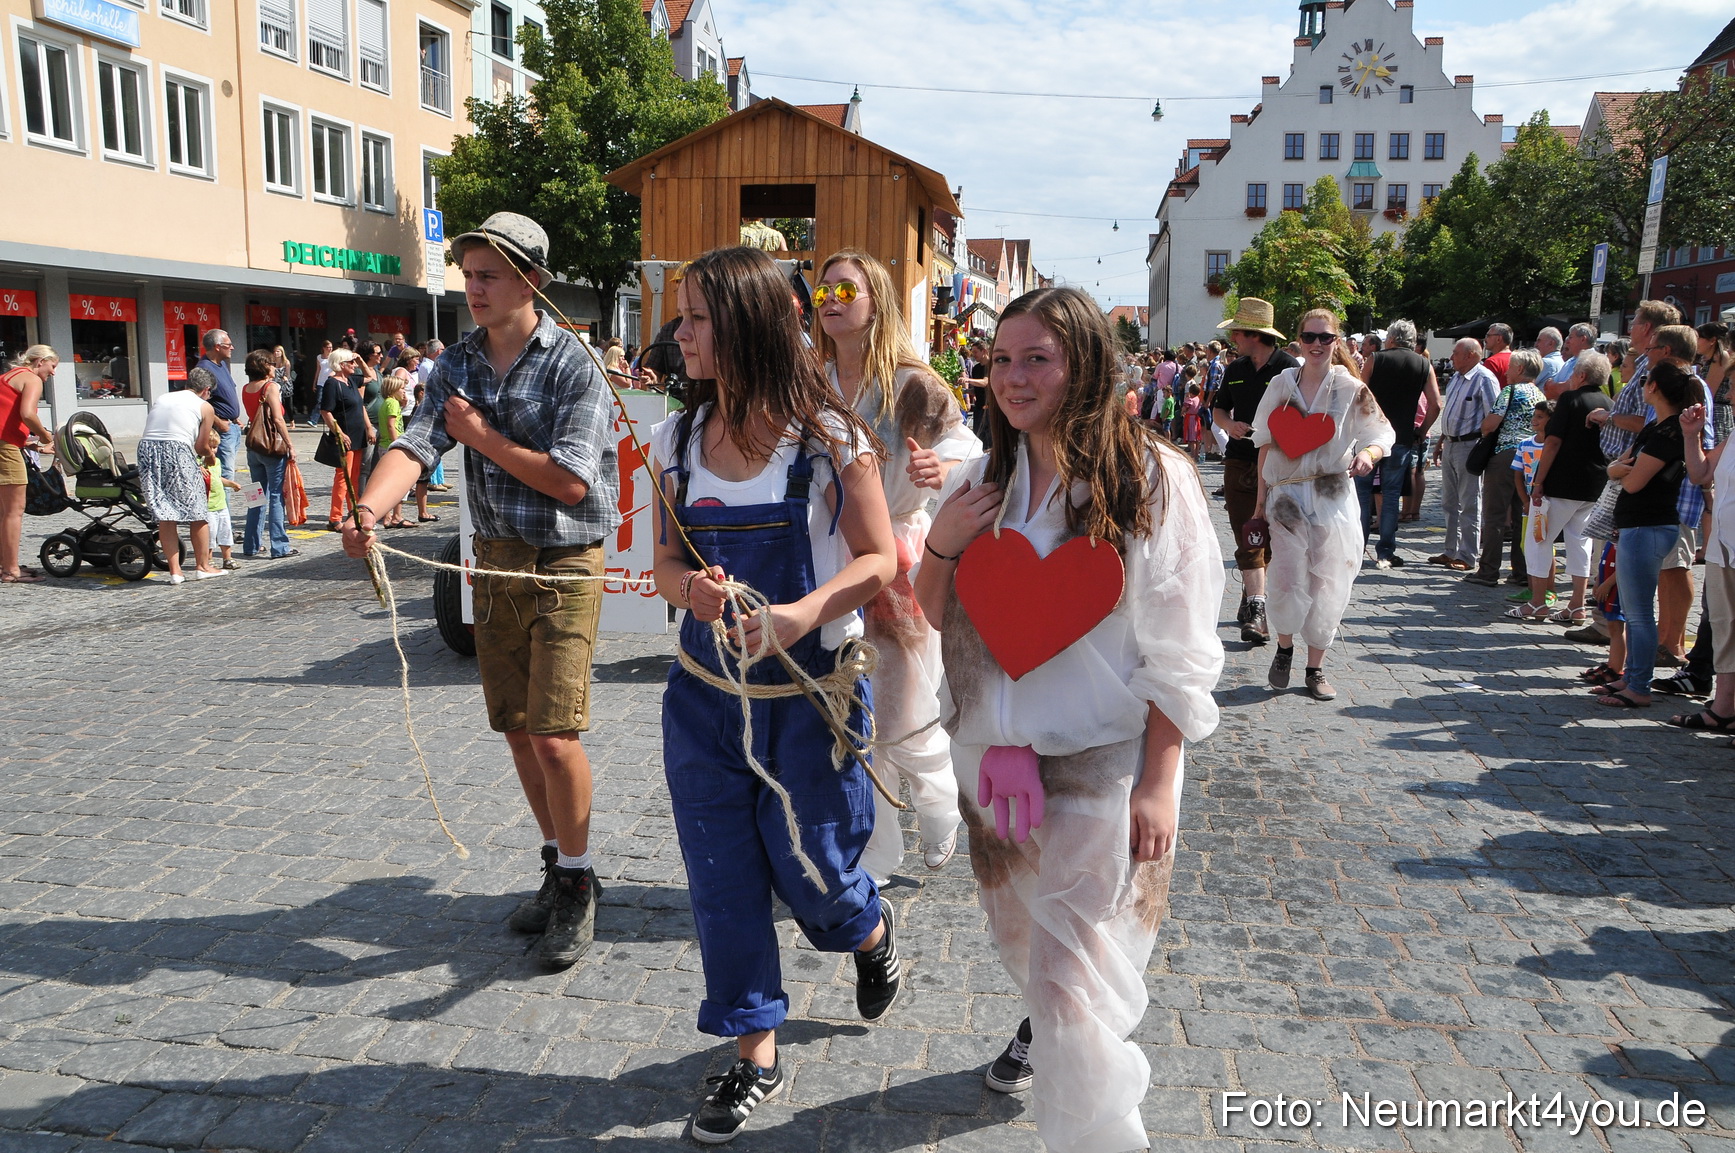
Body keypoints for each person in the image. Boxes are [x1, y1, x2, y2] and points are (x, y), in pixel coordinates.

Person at [912, 286, 1224, 1153]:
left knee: (1066, 985)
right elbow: (940, 614)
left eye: (1035, 358)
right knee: (1032, 968)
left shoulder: (1149, 479)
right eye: (1001, 359)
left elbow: (1182, 649)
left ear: (1082, 364)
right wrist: (942, 540)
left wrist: (1159, 781)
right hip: (994, 767)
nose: (1011, 377)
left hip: (1101, 765)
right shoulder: (985, 478)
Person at [647, 246, 899, 1143]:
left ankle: (865, 929)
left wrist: (797, 614)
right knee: (721, 877)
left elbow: (880, 559)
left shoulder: (831, 440)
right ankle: (753, 1045)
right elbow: (664, 563)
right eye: (682, 316)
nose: (680, 332)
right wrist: (693, 594)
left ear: (748, 325)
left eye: (697, 318)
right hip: (705, 698)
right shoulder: (675, 439)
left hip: (808, 698)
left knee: (817, 874)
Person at [344, 211, 619, 971]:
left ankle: (577, 881)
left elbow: (569, 479)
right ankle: (555, 858)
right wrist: (370, 507)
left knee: (557, 731)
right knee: (518, 728)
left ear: (531, 279)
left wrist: (484, 439)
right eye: (467, 274)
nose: (473, 288)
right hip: (493, 555)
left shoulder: (573, 363)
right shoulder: (458, 361)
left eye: (488, 274)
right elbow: (415, 443)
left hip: (564, 556)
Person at [813, 248, 980, 884]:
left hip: (902, 558)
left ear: (875, 299)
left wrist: (942, 468)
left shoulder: (914, 383)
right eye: (823, 290)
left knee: (905, 712)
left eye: (845, 290)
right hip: (831, 551)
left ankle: (939, 808)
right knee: (853, 712)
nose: (831, 301)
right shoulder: (813, 380)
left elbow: (967, 447)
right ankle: (876, 849)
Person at [1251, 308, 1396, 700]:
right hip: (1286, 497)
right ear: (1298, 340)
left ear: (1337, 341)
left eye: (1325, 337)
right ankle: (1284, 649)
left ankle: (1315, 668)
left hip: (1332, 496)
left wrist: (1369, 453)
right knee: (1285, 575)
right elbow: (1264, 443)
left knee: (1327, 579)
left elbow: (1382, 431)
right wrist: (1260, 502)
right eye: (1309, 337)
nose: (1317, 344)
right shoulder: (1282, 384)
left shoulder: (1350, 389)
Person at [1591, 362, 1696, 708]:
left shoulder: (1668, 432)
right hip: (1639, 525)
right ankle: (1631, 677)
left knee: (1638, 614)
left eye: (1646, 381)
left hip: (1649, 526)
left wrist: (1617, 470)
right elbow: (1619, 465)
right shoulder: (1655, 427)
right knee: (1635, 610)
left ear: (1653, 388)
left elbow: (1632, 480)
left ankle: (1639, 686)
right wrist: (1617, 469)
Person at [1211, 298, 1299, 644]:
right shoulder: (1235, 369)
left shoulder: (1289, 368)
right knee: (1247, 534)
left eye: (1237, 331)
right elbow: (1218, 411)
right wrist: (1229, 424)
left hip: (1280, 466)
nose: (1232, 336)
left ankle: (1252, 598)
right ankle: (1257, 612)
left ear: (1254, 335)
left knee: (1273, 541)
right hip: (1239, 462)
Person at [1517, 353, 1615, 621]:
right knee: (1580, 542)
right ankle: (1576, 604)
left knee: (1538, 540)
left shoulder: (1570, 400)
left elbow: (1552, 442)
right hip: (1595, 484)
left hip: (1563, 483)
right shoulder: (1608, 403)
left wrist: (1538, 481)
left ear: (1581, 375)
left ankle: (1538, 602)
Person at [1358, 320, 1441, 567]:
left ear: (1391, 339)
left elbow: (1359, 396)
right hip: (1402, 437)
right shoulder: (1424, 364)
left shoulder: (1376, 359)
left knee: (1363, 494)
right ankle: (1386, 550)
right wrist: (1422, 431)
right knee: (1391, 495)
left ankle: (1358, 547)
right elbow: (1436, 404)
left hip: (1370, 436)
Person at [1674, 398, 1735, 730]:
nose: (1732, 397)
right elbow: (1700, 474)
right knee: (1725, 628)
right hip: (1724, 547)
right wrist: (1691, 435)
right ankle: (1724, 709)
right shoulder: (1734, 436)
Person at [1467, 349, 1547, 588]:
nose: (1507, 372)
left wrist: (1483, 427)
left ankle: (1489, 570)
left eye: (1510, 367)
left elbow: (1491, 424)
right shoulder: (1538, 393)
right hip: (1531, 457)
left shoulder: (1510, 391)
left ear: (1520, 369)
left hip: (1505, 455)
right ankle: (1522, 571)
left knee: (1494, 514)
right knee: (1522, 514)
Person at [138, 367, 223, 583]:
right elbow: (202, 445)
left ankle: (175, 571)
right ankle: (202, 566)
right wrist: (210, 458)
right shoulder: (205, 406)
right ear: (206, 390)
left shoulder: (163, 397)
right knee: (198, 511)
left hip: (147, 449)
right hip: (176, 449)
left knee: (166, 513)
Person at [1431, 338, 1500, 571]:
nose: (1451, 357)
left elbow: (1494, 417)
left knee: (1469, 502)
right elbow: (1450, 413)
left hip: (1470, 445)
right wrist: (1441, 440)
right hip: (1451, 444)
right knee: (1449, 502)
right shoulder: (1456, 379)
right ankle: (1450, 550)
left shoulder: (1484, 379)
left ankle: (1468, 555)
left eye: (1456, 353)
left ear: (1471, 355)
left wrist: (1482, 446)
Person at [0, 345, 58, 584]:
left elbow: (7, 416)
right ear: (41, 361)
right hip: (6, 448)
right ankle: (11, 571)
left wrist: (30, 444)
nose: (53, 373)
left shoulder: (7, 376)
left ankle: (5, 564)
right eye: (52, 366)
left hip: (5, 442)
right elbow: (27, 414)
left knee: (3, 512)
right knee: (14, 511)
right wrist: (46, 436)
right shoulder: (32, 379)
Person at [240, 350, 299, 560]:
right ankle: (279, 546)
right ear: (264, 366)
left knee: (255, 494)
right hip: (271, 446)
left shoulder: (246, 388)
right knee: (275, 495)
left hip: (253, 446)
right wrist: (290, 444)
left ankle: (251, 544)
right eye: (272, 364)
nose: (275, 368)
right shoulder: (270, 387)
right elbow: (277, 418)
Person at [318, 348, 373, 531]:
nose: (354, 365)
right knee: (343, 478)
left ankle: (353, 511)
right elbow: (325, 411)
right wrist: (339, 433)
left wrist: (360, 360)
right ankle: (334, 518)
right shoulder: (332, 384)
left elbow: (370, 376)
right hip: (344, 437)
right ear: (341, 365)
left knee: (355, 476)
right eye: (351, 362)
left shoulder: (350, 380)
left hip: (358, 436)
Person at [195, 330, 243, 488]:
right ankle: (221, 511)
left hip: (231, 427)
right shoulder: (204, 368)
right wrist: (219, 422)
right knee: (223, 475)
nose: (232, 348)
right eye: (228, 345)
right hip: (220, 430)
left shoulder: (221, 365)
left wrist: (234, 418)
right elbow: (197, 401)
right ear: (217, 347)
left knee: (228, 473)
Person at [203, 453, 240, 571]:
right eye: (211, 447)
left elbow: (217, 478)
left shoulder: (217, 461)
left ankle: (227, 558)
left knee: (226, 532)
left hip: (221, 504)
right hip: (209, 506)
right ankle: (208, 559)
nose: (213, 451)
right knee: (210, 534)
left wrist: (231, 484)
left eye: (215, 447)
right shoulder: (199, 462)